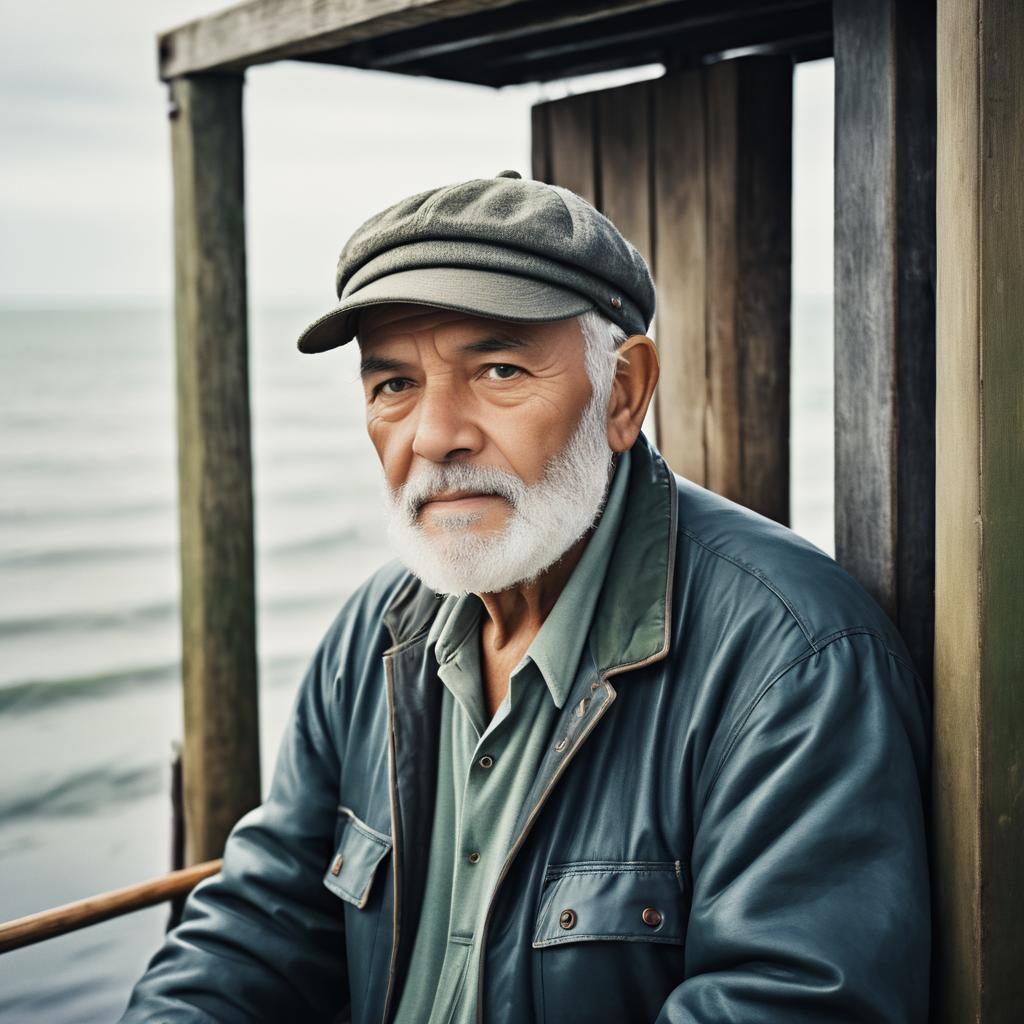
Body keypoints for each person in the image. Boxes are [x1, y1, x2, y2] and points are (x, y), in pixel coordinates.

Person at [121, 170, 930, 1023]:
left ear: (624, 394)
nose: (435, 436)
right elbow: (259, 924)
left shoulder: (791, 659)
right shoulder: (375, 634)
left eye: (500, 370)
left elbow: (789, 1003)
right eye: (394, 385)